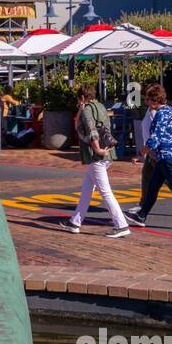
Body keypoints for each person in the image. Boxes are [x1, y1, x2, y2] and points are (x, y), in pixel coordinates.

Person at [127, 84, 172, 231]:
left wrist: (140, 154)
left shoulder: (160, 114)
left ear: (155, 100)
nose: (146, 102)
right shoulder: (171, 111)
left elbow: (155, 138)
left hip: (167, 156)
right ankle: (141, 215)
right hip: (168, 155)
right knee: (153, 186)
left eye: (148, 99)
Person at [60, 85, 129, 238]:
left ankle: (121, 224)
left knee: (105, 192)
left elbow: (91, 130)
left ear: (83, 98)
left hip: (96, 155)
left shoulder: (87, 110)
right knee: (86, 190)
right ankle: (75, 222)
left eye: (79, 99)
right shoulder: (101, 107)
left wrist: (97, 149)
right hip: (108, 154)